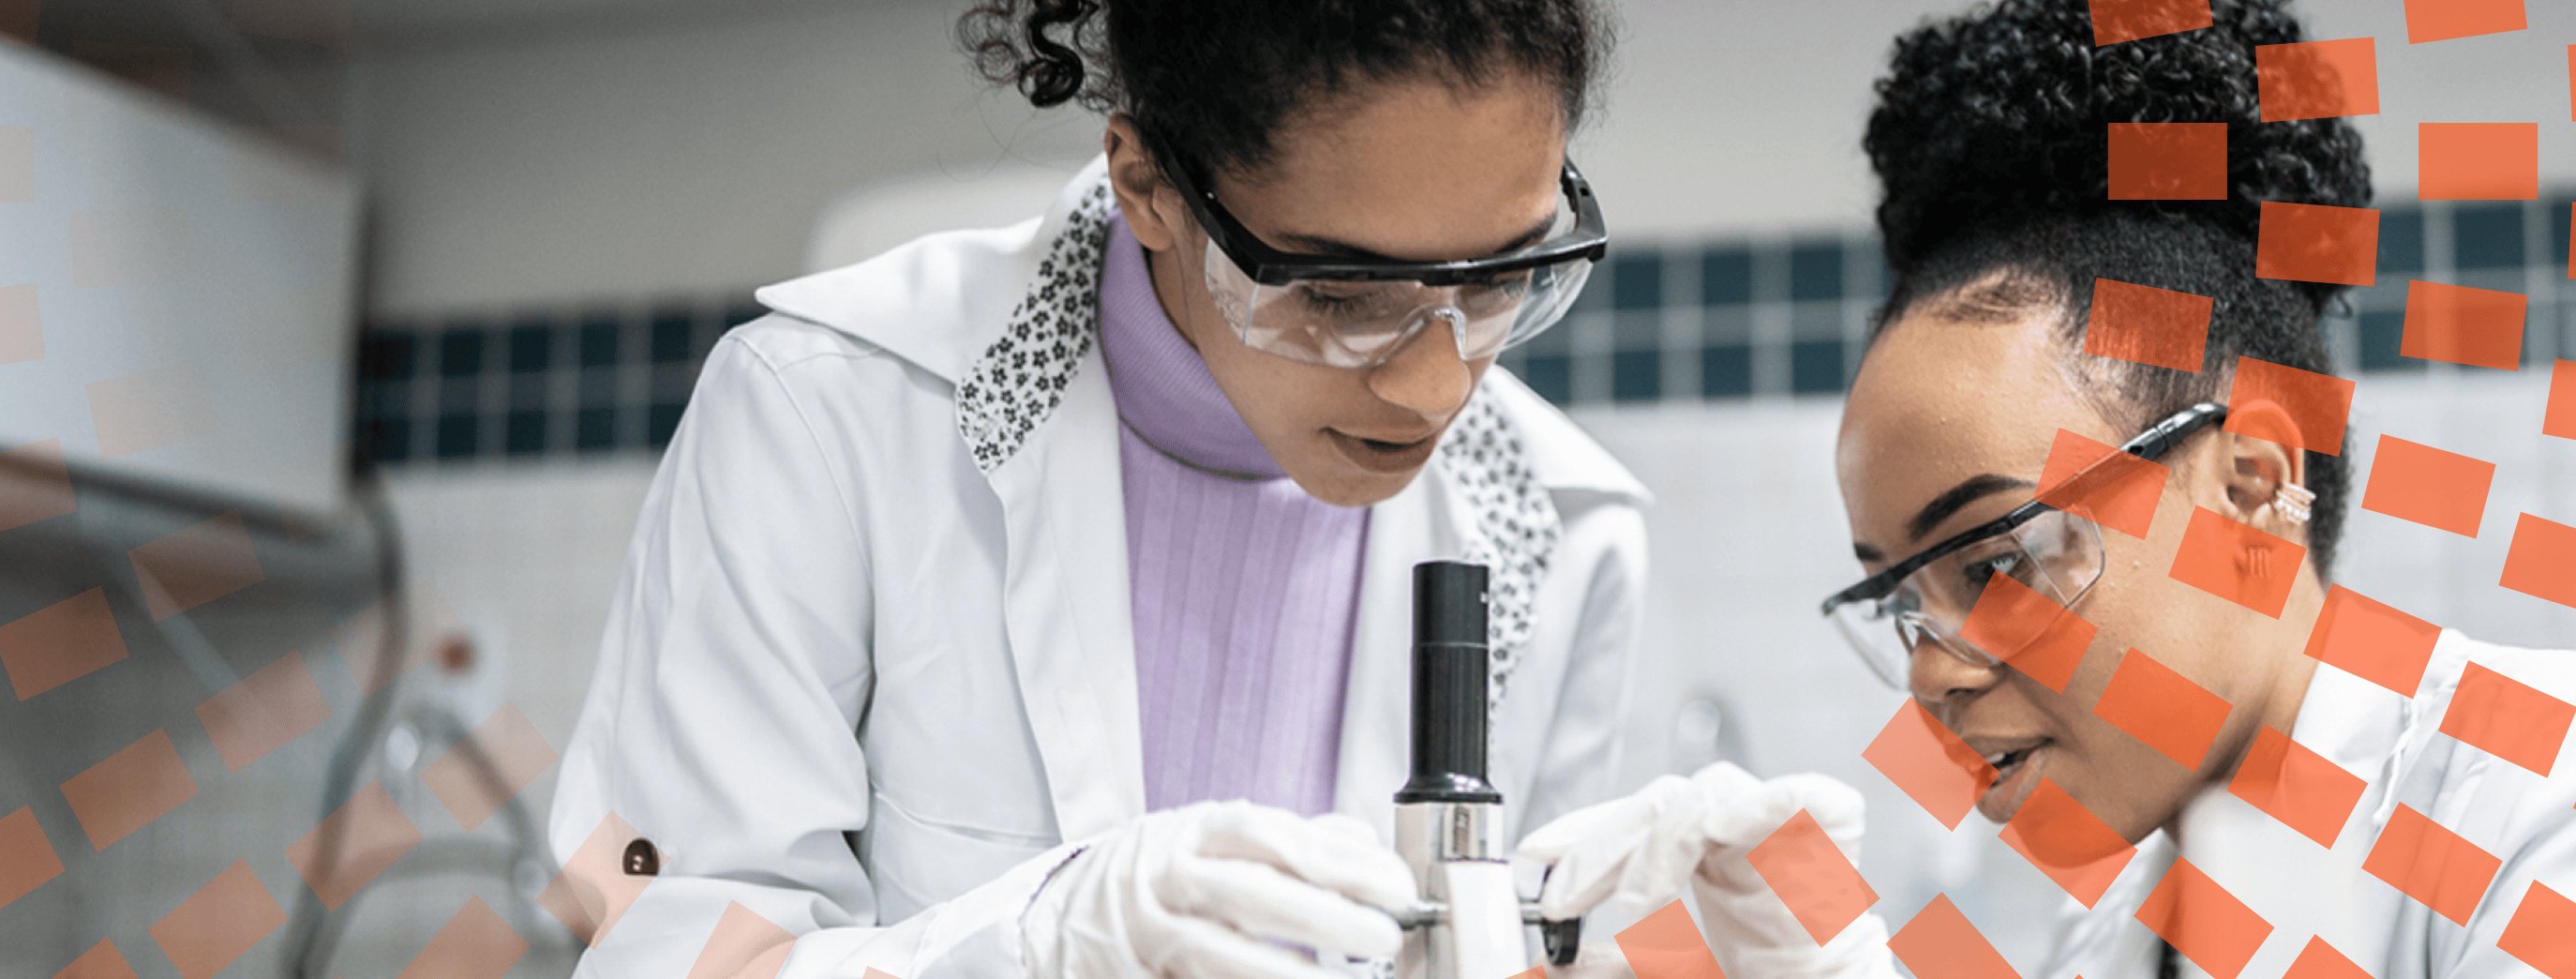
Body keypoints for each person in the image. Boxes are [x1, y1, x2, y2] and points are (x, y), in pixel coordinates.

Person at [543, 1, 1693, 975]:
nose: (1438, 387)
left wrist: (1695, 947)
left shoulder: (1564, 528)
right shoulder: (824, 416)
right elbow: (665, 945)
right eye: (1343, 296)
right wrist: (1030, 945)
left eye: (1502, 279)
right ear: (1147, 184)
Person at [1515, 1, 2576, 975]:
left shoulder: (2536, 800)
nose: (1930, 674)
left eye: (1995, 562)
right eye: (1900, 599)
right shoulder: (2122, 915)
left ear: (2253, 488)